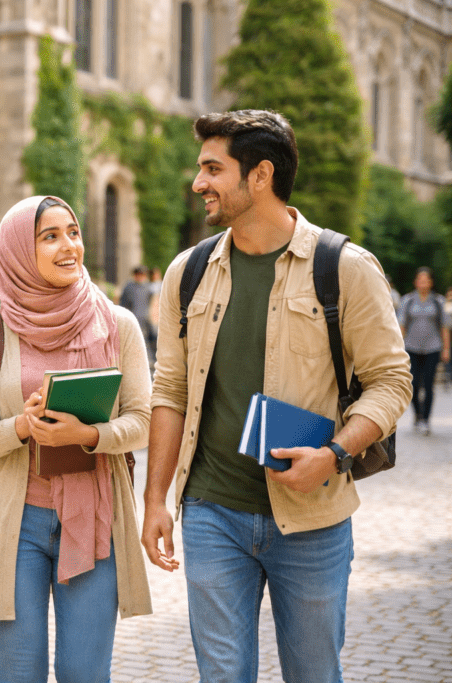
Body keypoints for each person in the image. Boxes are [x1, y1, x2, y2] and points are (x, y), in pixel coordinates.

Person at [142, 110, 412, 683]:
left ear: (260, 175)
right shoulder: (186, 273)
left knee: (314, 674)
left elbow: (392, 381)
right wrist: (155, 499)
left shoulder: (346, 268)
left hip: (313, 519)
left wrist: (333, 455)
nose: (198, 183)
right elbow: (169, 388)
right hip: (212, 513)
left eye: (213, 169)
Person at [0, 195, 152, 683]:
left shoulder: (118, 324)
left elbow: (143, 421)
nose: (69, 246)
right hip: (14, 524)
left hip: (96, 519)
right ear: (19, 251)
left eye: (74, 232)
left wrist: (88, 434)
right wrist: (21, 426)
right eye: (50, 236)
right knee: (19, 673)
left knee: (84, 673)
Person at [397, 267, 451, 434]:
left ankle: (426, 419)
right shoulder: (408, 301)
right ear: (415, 282)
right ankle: (418, 414)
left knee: (428, 385)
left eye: (426, 279)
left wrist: (446, 349)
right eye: (420, 279)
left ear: (431, 282)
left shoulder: (438, 301)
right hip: (411, 348)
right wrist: (397, 348)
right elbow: (402, 326)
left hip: (432, 348)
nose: (423, 282)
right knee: (412, 384)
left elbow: (444, 327)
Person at [118, 265, 153, 362]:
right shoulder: (128, 287)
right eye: (138, 275)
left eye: (142, 275)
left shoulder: (148, 288)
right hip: (132, 318)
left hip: (145, 319)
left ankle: (146, 361)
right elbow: (123, 303)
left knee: (146, 340)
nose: (140, 277)